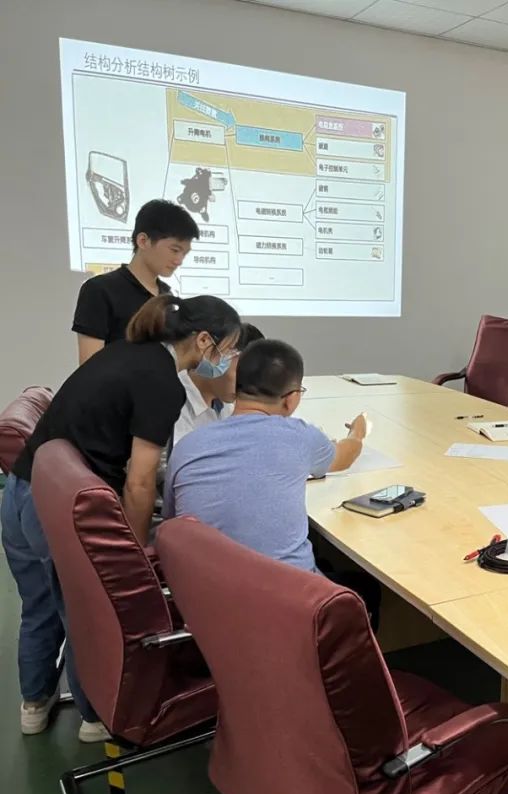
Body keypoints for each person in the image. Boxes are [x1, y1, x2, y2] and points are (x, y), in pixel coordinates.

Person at [2, 294, 240, 742]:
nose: (228, 359)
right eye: (228, 348)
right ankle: (95, 718)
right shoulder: (162, 383)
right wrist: (132, 553)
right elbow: (139, 482)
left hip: (22, 489)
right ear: (203, 340)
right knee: (83, 613)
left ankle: (34, 704)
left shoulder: (125, 351)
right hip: (54, 509)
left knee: (39, 606)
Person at [163, 339, 381, 626]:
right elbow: (345, 456)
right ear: (291, 399)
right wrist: (358, 432)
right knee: (367, 588)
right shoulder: (300, 436)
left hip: (203, 603)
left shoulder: (187, 445)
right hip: (288, 605)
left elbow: (172, 522)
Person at [73, 199, 200, 365]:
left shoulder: (167, 297)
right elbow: (89, 366)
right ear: (143, 241)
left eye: (184, 253)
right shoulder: (100, 290)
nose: (179, 260)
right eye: (174, 250)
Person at [172, 322, 265, 451]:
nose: (248, 385)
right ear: (219, 356)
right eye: (242, 373)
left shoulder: (226, 407)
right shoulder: (172, 400)